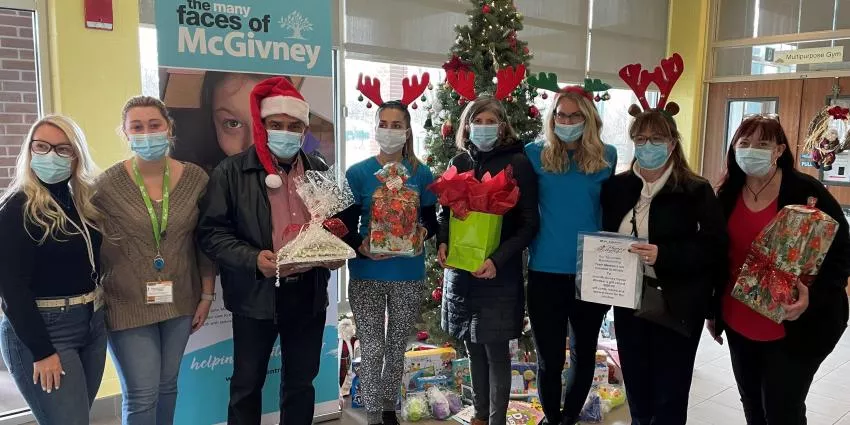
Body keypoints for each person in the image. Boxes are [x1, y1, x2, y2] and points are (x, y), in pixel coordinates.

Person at [196, 76, 344, 425]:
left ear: (304, 128)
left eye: (294, 126)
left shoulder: (319, 170)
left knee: (300, 383)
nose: (285, 132)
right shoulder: (231, 171)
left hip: (308, 294)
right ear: (262, 126)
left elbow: (334, 225)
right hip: (256, 295)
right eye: (276, 125)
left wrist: (336, 248)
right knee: (247, 386)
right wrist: (252, 259)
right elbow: (210, 233)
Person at [712, 116, 850, 425]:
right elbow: (716, 258)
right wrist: (713, 311)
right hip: (739, 318)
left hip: (795, 321)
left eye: (762, 144)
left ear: (779, 150)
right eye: (744, 144)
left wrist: (812, 296)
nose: (751, 150)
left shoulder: (806, 192)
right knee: (752, 403)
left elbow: (841, 250)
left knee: (782, 409)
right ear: (733, 148)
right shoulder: (726, 194)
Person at [600, 102, 727, 425]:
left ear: (672, 144)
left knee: (670, 393)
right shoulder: (618, 187)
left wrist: (664, 254)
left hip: (678, 305)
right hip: (629, 302)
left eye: (656, 139)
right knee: (638, 389)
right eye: (640, 139)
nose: (648, 146)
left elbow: (714, 247)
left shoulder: (695, 190)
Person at [93, 95, 216, 425]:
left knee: (167, 387)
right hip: (126, 302)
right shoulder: (105, 186)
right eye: (137, 127)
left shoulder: (196, 180)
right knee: (142, 394)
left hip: (181, 300)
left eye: (154, 125)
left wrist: (206, 294)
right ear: (126, 133)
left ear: (168, 128)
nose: (147, 133)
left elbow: (203, 243)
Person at [341, 82, 439, 425]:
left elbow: (431, 219)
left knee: (396, 345)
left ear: (407, 130)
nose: (390, 130)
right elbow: (343, 225)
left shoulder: (421, 173)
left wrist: (425, 232)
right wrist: (361, 244)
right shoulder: (357, 173)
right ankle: (370, 414)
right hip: (367, 274)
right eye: (384, 124)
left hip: (408, 274)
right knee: (372, 347)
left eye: (397, 125)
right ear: (376, 127)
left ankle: (388, 409)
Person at [438, 96, 539, 425]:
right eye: (476, 121)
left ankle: (495, 420)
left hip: (499, 275)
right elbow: (445, 214)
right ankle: (480, 416)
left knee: (496, 353)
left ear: (502, 125)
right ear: (466, 125)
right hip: (461, 274)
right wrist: (442, 243)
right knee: (472, 347)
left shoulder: (518, 164)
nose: (483, 127)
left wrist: (497, 259)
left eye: (489, 121)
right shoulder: (459, 161)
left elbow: (529, 224)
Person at [0, 115, 105, 425]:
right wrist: (41, 351)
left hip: (91, 321)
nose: (51, 156)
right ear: (29, 151)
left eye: (62, 149)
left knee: (76, 418)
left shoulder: (79, 203)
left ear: (76, 157)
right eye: (42, 147)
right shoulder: (16, 209)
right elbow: (11, 289)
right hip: (46, 329)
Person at [523, 88, 617, 425]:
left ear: (588, 118)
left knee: (584, 353)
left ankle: (569, 418)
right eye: (560, 115)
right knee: (548, 358)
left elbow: (611, 210)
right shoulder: (534, 154)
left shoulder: (608, 155)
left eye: (574, 115)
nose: (566, 121)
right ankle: (551, 417)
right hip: (545, 270)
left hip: (591, 271)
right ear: (552, 119)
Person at [169, 72, 327, 171]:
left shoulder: (313, 170)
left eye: (266, 123)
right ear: (211, 124)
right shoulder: (205, 185)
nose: (252, 144)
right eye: (232, 123)